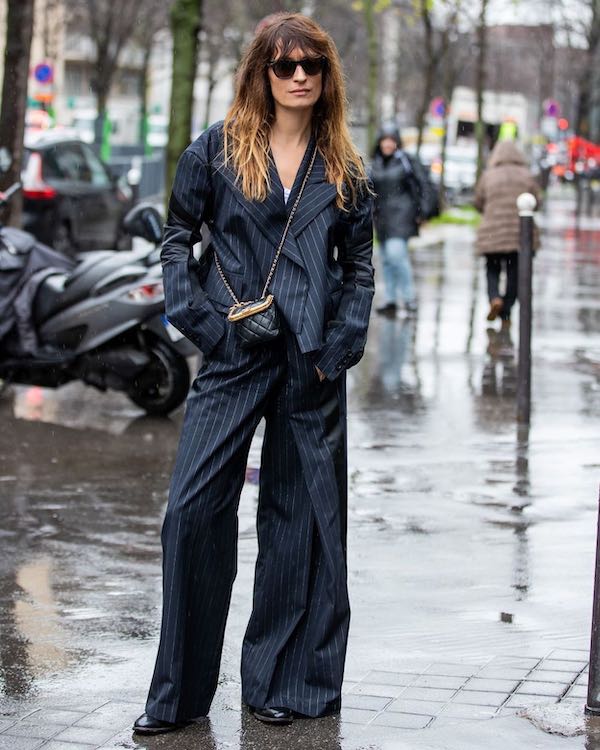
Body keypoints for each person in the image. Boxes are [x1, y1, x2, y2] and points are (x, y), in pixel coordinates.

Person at [133, 13, 374, 735]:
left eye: (312, 66)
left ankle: (282, 682)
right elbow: (178, 240)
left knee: (299, 526)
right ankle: (177, 696)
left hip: (311, 365)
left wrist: (337, 350)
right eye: (284, 64)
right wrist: (203, 323)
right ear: (260, 73)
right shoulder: (214, 152)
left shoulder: (345, 170)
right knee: (192, 514)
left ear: (327, 77)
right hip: (233, 353)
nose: (299, 76)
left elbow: (358, 272)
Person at [370, 123, 434, 317]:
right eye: (384, 140)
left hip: (402, 215)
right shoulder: (376, 163)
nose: (388, 144)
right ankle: (390, 299)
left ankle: (409, 298)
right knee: (387, 259)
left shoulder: (406, 161)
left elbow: (424, 184)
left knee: (397, 255)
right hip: (381, 218)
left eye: (391, 140)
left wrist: (424, 211)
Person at [474, 141, 540, 325]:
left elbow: (478, 201)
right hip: (519, 233)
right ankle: (506, 309)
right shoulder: (527, 176)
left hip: (492, 233)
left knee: (492, 268)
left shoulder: (489, 176)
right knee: (515, 272)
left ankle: (494, 297)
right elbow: (537, 201)